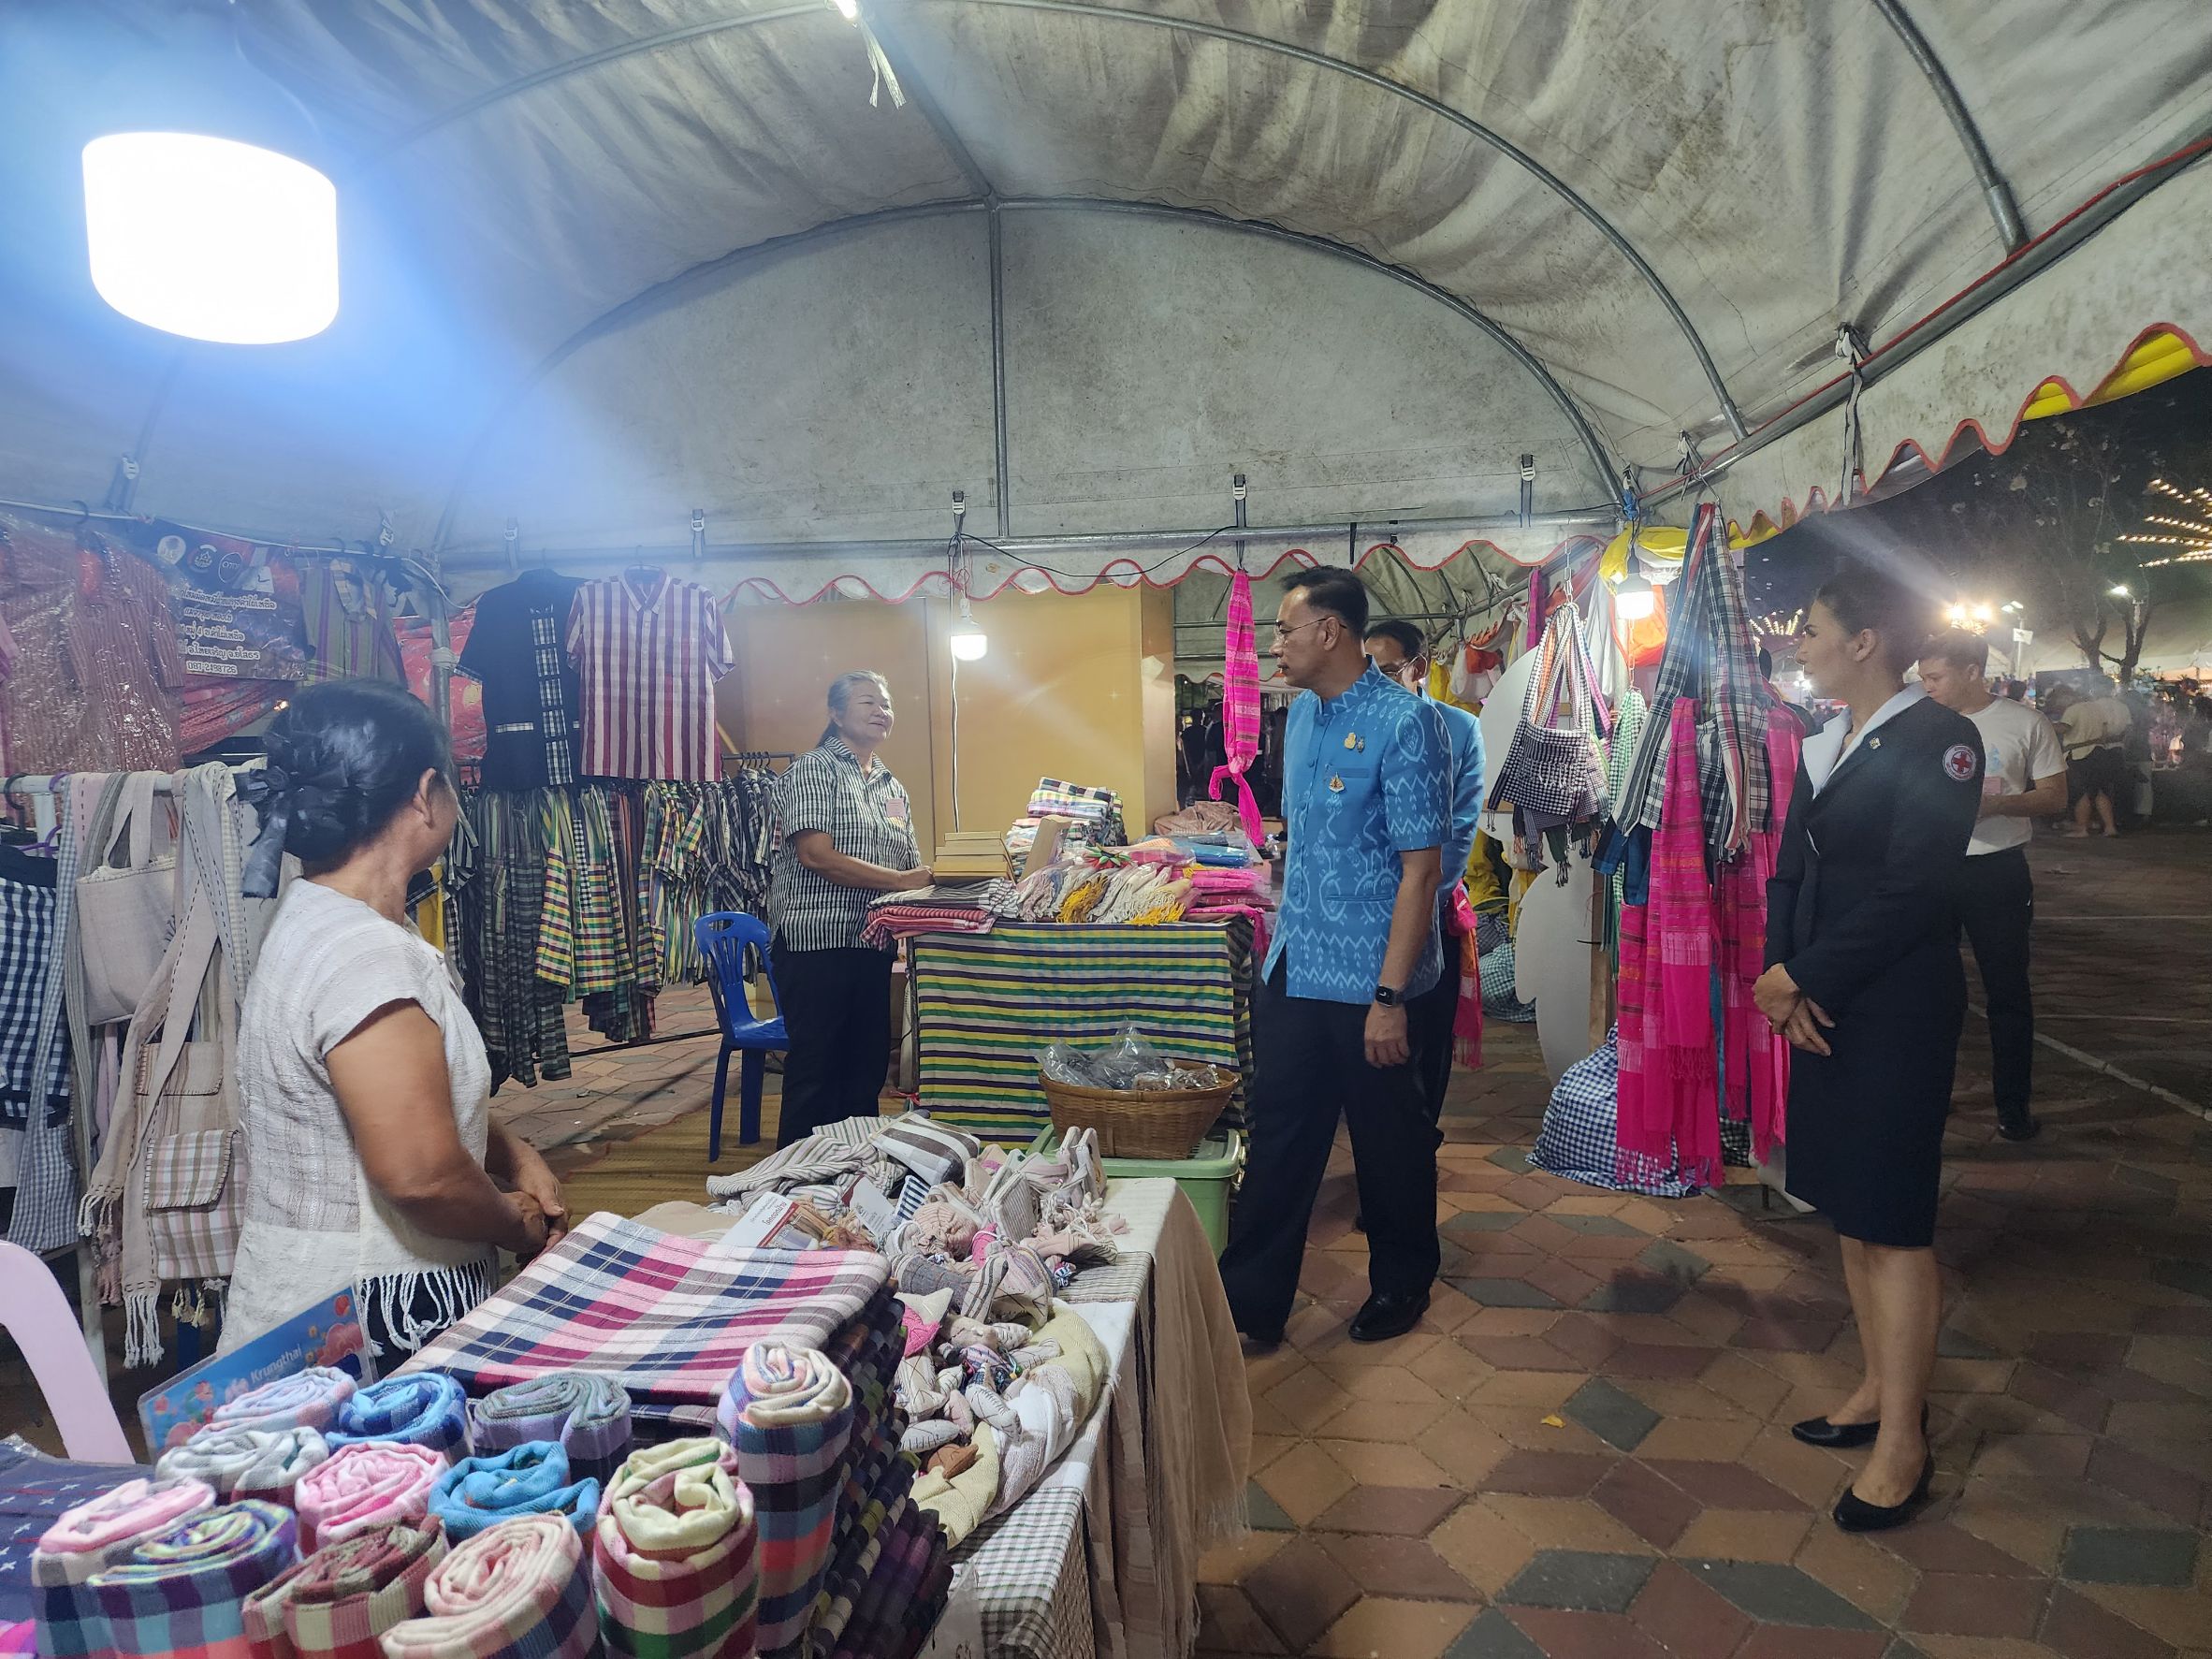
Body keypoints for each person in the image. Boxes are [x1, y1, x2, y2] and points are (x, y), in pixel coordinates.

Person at [225, 681, 565, 1360]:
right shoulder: (365, 955)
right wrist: (516, 1226)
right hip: (371, 1318)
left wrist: (512, 1152)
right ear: (425, 793)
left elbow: (406, 1098)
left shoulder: (324, 920)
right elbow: (422, 1174)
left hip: (323, 1299)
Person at [1754, 563, 1982, 1534]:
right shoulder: (1827, 743)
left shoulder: (1942, 739)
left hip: (1892, 1007)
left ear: (1864, 643)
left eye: (1809, 629)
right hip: (1821, 1001)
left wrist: (1806, 978)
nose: (1796, 644)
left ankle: (1905, 1440)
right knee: (1850, 1211)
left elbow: (1917, 889)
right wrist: (1779, 973)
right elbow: (1785, 873)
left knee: (1894, 1221)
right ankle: (1879, 1391)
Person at [1219, 569, 1450, 1346]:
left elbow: (1422, 868)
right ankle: (1248, 1301)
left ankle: (1402, 1281)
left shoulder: (1406, 723)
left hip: (1370, 977)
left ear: (1331, 632)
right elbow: (1307, 837)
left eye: (1285, 628)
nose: (1274, 644)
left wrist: (1389, 996)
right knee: (1281, 1131)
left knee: (1389, 1141)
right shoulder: (1306, 720)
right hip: (1296, 962)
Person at [1916, 632, 2066, 1142]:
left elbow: (2052, 797)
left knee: (2006, 990)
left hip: (1996, 872)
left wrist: (1995, 805)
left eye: (1935, 677)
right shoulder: (1918, 723)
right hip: (1930, 871)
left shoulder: (2025, 722)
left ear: (1973, 671)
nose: (1925, 686)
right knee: (1928, 992)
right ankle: (1927, 1100)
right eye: (1922, 676)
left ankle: (2012, 1107)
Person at [768, 671, 928, 1147]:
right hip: (816, 941)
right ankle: (793, 1179)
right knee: (817, 1068)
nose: (881, 711)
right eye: (867, 703)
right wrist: (901, 882)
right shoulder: (814, 770)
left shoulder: (889, 784)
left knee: (864, 1068)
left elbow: (910, 863)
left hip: (870, 943)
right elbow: (816, 855)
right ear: (836, 714)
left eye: (886, 703)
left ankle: (853, 1172)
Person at [1363, 618, 1486, 1128]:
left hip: (1428, 913)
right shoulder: (1359, 727)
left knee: (1422, 1048)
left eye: (1387, 671)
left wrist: (1412, 900)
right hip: (1367, 917)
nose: (1375, 684)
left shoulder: (1458, 729)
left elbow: (1456, 835)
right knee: (1375, 1057)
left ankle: (1417, 1149)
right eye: (1366, 672)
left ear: (1418, 667)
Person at [2059, 676, 2130, 837]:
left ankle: (2082, 828)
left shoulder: (2073, 710)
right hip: (2100, 752)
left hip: (2079, 755)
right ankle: (2110, 827)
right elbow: (2106, 733)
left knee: (2081, 793)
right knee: (2100, 791)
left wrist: (2046, 725)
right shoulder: (2099, 709)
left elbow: (2063, 728)